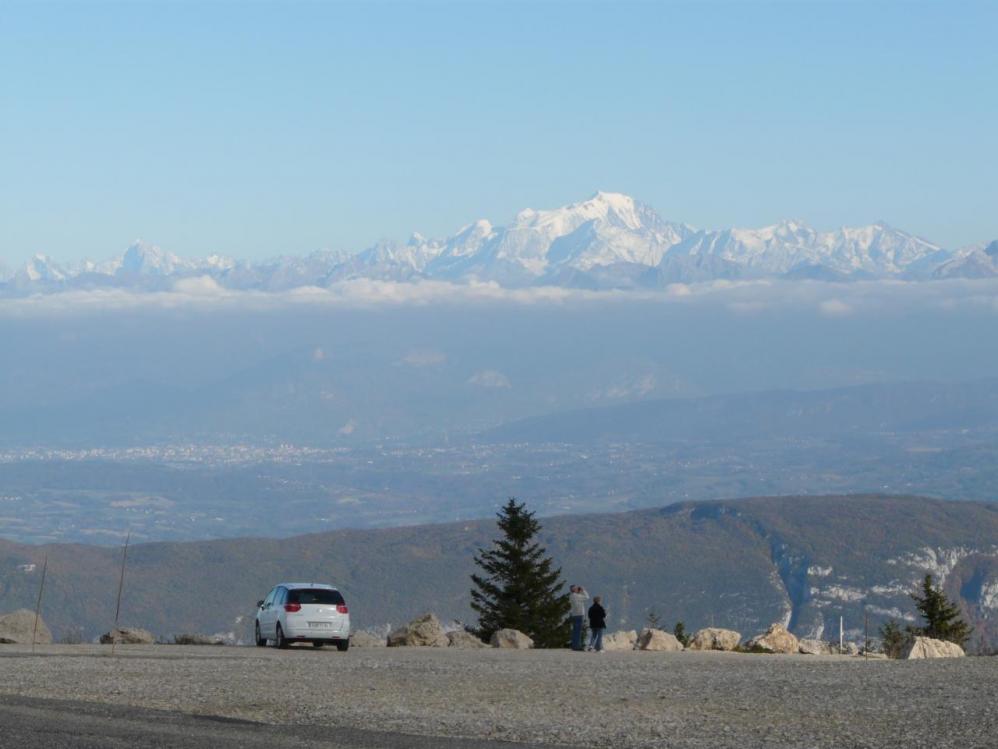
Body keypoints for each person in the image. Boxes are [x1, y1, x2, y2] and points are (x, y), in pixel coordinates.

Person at [568, 584, 589, 651]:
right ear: (574, 589)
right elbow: (587, 597)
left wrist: (579, 592)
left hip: (574, 615)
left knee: (575, 631)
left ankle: (574, 645)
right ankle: (577, 646)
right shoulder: (577, 596)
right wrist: (583, 590)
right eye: (576, 588)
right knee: (578, 631)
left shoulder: (571, 596)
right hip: (579, 615)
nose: (578, 589)